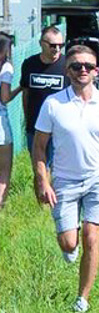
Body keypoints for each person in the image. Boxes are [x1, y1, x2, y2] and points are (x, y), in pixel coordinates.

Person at [32, 45, 99, 313]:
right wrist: (43, 180)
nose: (82, 70)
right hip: (64, 180)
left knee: (91, 236)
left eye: (88, 66)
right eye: (76, 66)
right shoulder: (53, 104)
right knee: (69, 242)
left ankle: (82, 298)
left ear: (96, 70)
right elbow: (39, 146)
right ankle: (68, 247)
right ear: (67, 70)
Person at [20, 26, 66, 165]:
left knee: (58, 169)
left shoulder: (67, 65)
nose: (57, 49)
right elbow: (26, 93)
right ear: (41, 43)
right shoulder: (30, 64)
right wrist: (28, 120)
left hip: (60, 127)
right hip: (35, 126)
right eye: (52, 45)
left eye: (60, 45)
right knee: (39, 169)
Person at [0, 33, 21, 209]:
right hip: (0, 125)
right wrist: (20, 89)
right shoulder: (5, 67)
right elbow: (5, 97)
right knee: (4, 169)